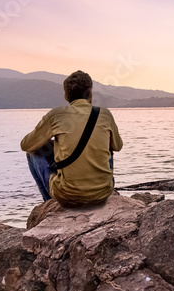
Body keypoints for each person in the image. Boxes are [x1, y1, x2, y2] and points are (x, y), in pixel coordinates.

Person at [21, 70, 123, 206]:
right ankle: (99, 183)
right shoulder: (105, 114)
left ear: (66, 96)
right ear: (90, 93)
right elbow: (118, 146)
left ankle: (50, 204)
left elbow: (26, 145)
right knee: (108, 145)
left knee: (33, 153)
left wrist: (51, 139)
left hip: (67, 196)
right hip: (102, 193)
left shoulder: (56, 115)